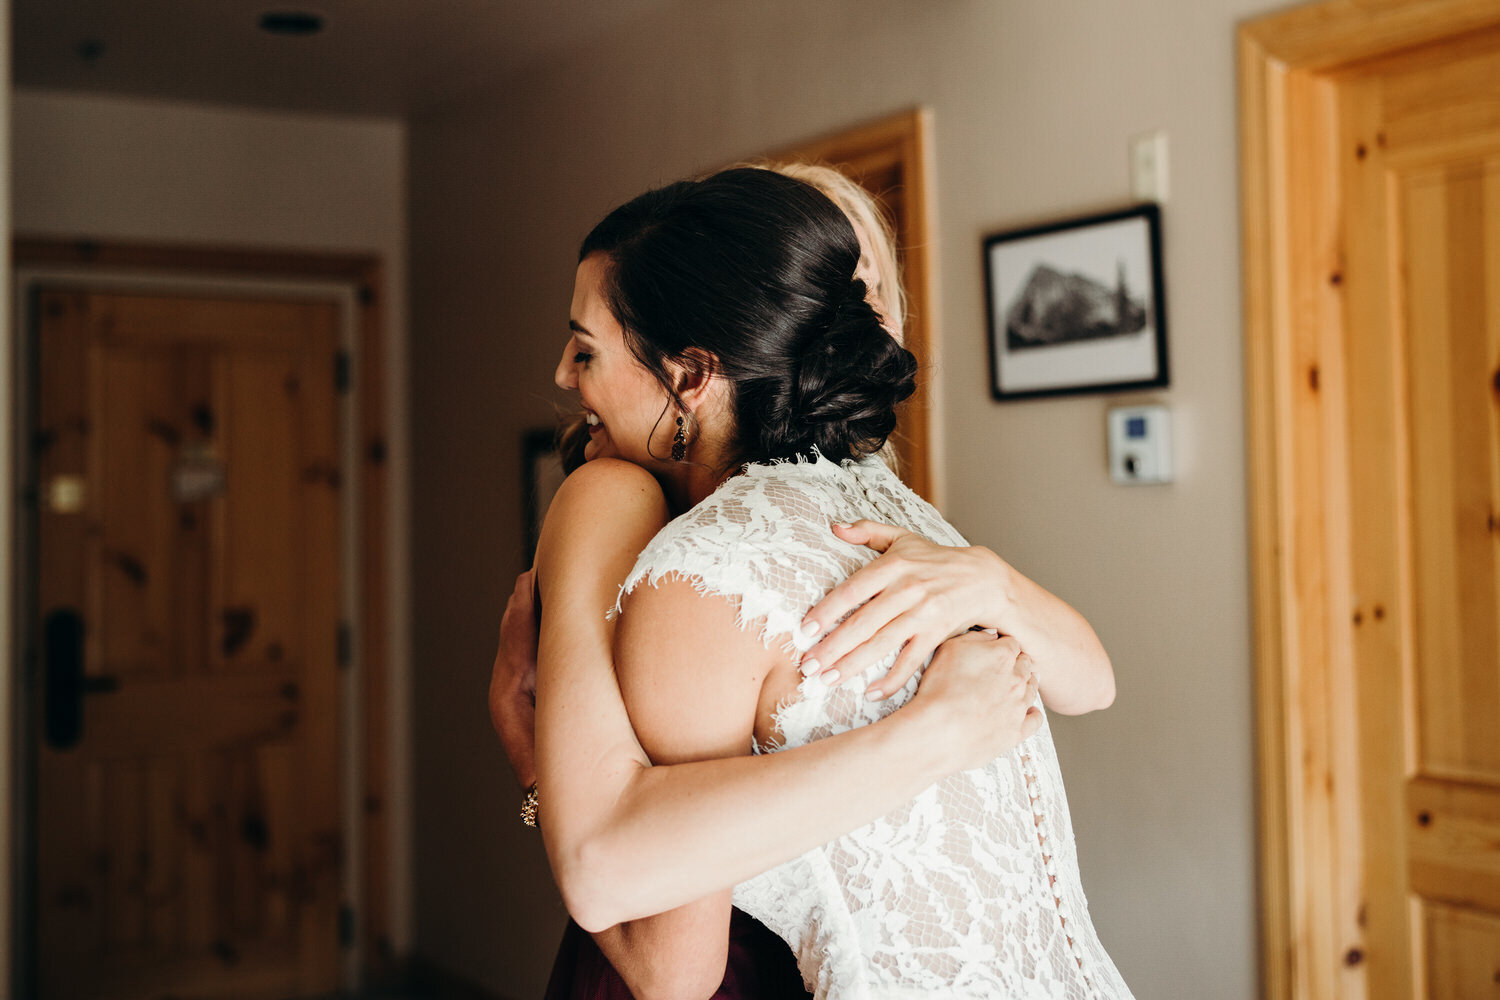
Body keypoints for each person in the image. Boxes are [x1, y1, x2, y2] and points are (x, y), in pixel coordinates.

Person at [495, 168, 1126, 999]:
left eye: (586, 351)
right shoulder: (890, 512)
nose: (565, 379)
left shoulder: (706, 571)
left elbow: (651, 941)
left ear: (692, 374)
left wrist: (527, 744)